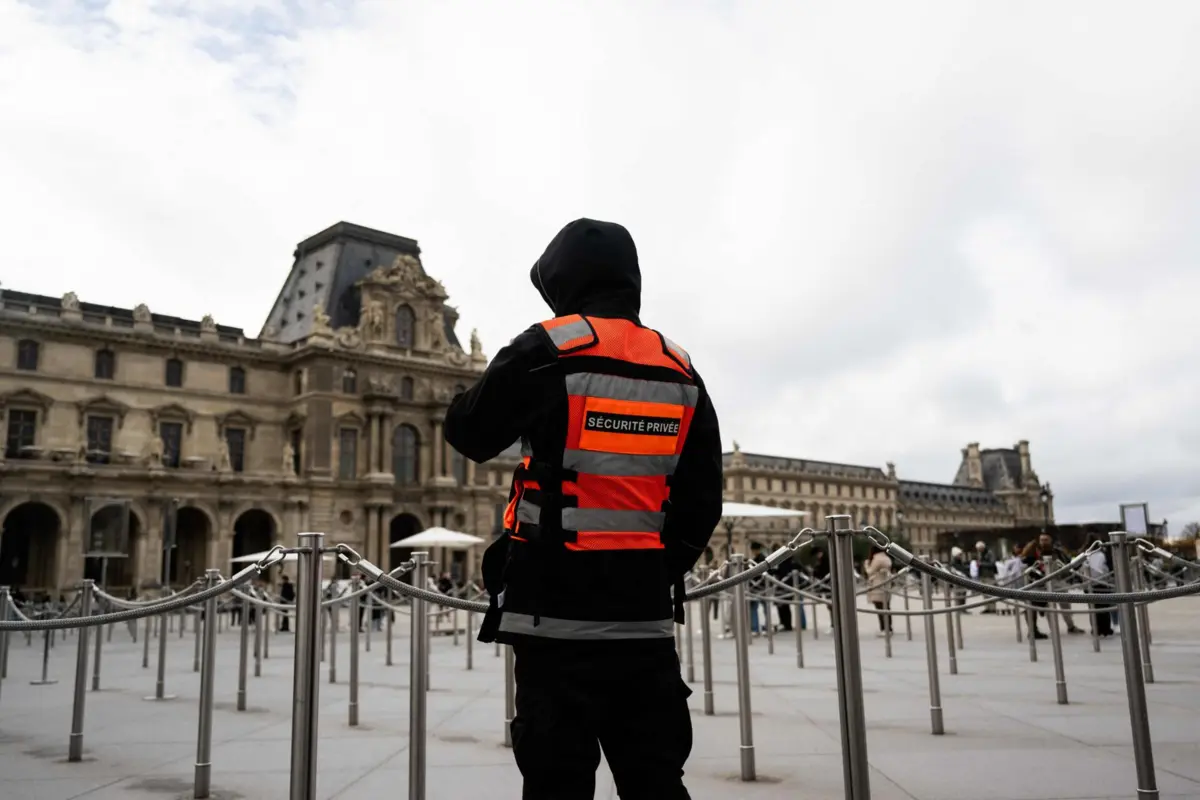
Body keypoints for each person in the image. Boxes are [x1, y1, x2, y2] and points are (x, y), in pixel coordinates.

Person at [445, 218, 723, 799]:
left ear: (562, 280)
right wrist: (656, 568)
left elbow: (470, 433)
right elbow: (702, 500)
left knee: (555, 783)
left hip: (551, 617)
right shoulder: (678, 367)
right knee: (655, 780)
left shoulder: (547, 348)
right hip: (643, 620)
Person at [1021, 532, 1084, 637]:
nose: (1043, 542)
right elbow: (1027, 565)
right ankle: (1053, 629)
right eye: (1042, 540)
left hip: (1058, 582)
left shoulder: (1058, 552)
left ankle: (1070, 626)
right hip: (1041, 584)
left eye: (1046, 540)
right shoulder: (1034, 552)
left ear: (1051, 540)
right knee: (1048, 607)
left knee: (1065, 605)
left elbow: (1068, 564)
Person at [864, 546, 893, 636]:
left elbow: (870, 571)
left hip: (877, 585)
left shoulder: (877, 559)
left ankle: (884, 628)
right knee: (886, 607)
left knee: (879, 608)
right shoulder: (887, 558)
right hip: (886, 585)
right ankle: (889, 628)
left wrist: (866, 564)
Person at [970, 541, 998, 613]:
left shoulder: (989, 553)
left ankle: (992, 608)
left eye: (980, 549)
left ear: (983, 547)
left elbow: (992, 563)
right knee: (985, 593)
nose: (979, 550)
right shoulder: (980, 554)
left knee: (991, 592)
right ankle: (987, 607)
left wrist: (981, 564)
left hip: (989, 575)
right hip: (982, 575)